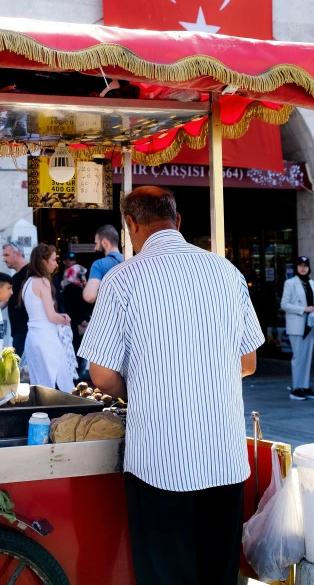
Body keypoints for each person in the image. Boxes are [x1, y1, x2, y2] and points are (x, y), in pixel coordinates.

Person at [78, 187, 263, 585]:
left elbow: (101, 375)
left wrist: (147, 387)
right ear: (177, 221)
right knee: (218, 575)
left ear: (131, 226)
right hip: (224, 456)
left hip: (160, 460)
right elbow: (247, 362)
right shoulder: (227, 272)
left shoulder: (122, 279)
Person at [22, 243, 77, 392]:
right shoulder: (43, 282)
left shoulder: (28, 283)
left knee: (39, 384)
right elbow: (51, 316)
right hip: (46, 337)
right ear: (43, 261)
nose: (55, 263)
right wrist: (65, 319)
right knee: (61, 382)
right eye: (53, 260)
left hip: (33, 337)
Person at [280, 256, 314, 401]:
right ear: (296, 267)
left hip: (309, 325)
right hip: (297, 325)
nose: (303, 268)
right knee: (298, 357)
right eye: (300, 265)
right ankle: (296, 388)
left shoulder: (311, 283)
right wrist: (304, 309)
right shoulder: (290, 283)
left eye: (305, 265)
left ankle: (305, 386)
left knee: (307, 357)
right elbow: (284, 304)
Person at [83, 225, 123, 304]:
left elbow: (89, 296)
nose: (95, 248)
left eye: (96, 243)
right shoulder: (130, 261)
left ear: (104, 242)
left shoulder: (98, 265)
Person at [3, 241, 28, 357]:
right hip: (18, 332)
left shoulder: (30, 274)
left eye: (6, 255)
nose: (4, 259)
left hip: (27, 332)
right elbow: (5, 300)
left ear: (17, 254)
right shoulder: (15, 277)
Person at [62, 263, 93, 354]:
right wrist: (82, 320)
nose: (83, 278)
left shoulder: (75, 287)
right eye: (81, 275)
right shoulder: (72, 289)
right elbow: (73, 308)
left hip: (80, 322)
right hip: (79, 323)